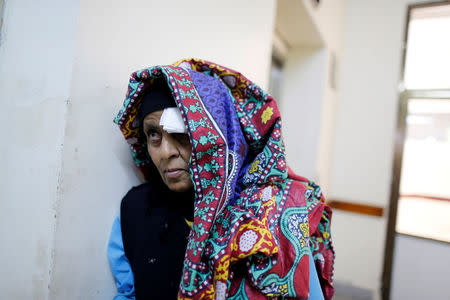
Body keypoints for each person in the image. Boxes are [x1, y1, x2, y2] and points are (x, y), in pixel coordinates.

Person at [108, 58, 335, 300]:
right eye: (153, 134)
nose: (166, 152)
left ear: (219, 133)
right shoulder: (136, 210)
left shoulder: (276, 216)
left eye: (180, 132)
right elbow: (128, 293)